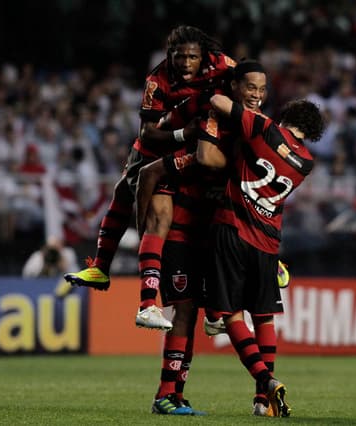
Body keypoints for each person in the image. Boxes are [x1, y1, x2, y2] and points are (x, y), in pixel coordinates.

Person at [64, 26, 234, 332]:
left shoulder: (221, 64)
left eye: (191, 57)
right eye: (178, 56)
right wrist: (186, 133)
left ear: (204, 57)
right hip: (157, 152)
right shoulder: (157, 81)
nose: (184, 63)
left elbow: (249, 78)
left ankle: (227, 298)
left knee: (217, 209)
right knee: (158, 217)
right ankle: (146, 303)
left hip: (194, 152)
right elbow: (147, 133)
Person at [137, 59, 268, 416]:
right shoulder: (216, 119)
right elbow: (203, 157)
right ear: (235, 88)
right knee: (184, 311)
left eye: (261, 90)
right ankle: (166, 394)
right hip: (183, 231)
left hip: (217, 235)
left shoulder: (254, 129)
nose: (256, 96)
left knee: (208, 312)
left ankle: (176, 393)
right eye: (249, 88)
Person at [197, 94, 325, 417]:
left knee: (232, 316)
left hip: (234, 230)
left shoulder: (264, 128)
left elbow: (218, 102)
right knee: (264, 316)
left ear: (288, 112)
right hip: (268, 245)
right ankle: (261, 403)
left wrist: (241, 105)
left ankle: (266, 381)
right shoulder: (307, 163)